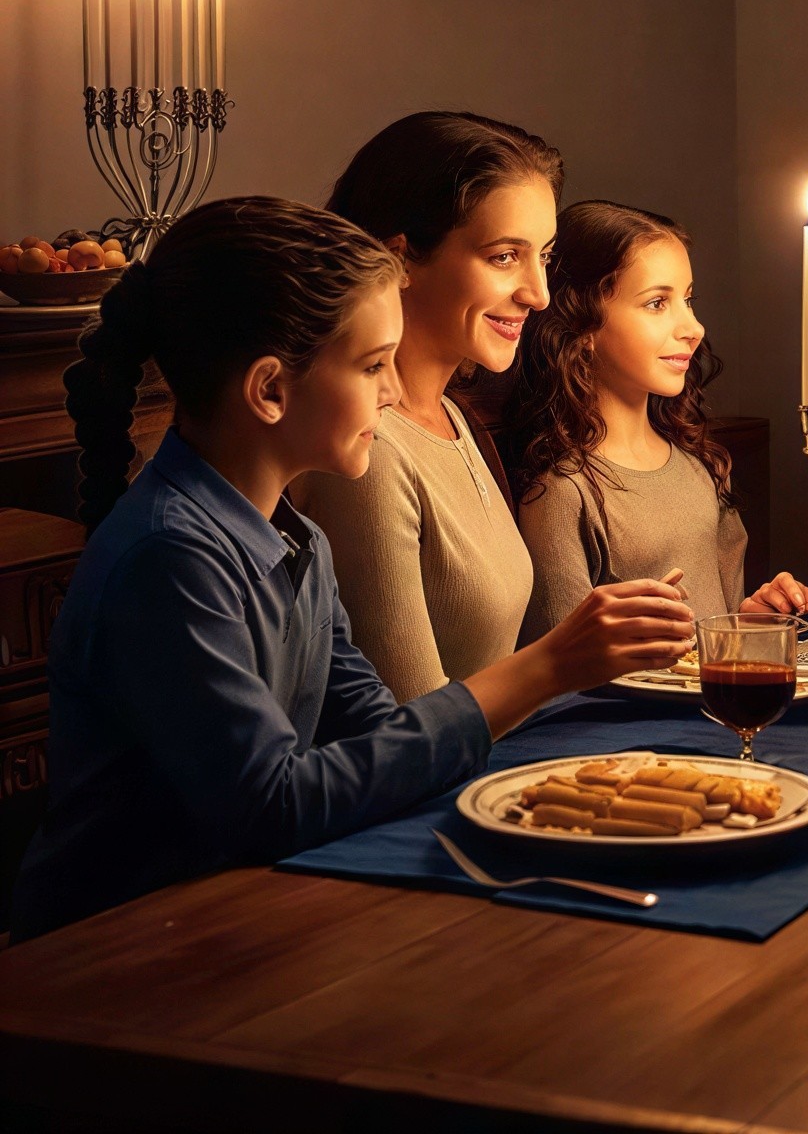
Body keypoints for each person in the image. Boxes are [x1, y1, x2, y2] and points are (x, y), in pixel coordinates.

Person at [9, 198, 693, 942]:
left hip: (238, 923)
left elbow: (382, 739)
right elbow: (275, 806)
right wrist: (543, 668)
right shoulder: (169, 557)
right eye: (373, 366)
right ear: (270, 389)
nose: (395, 392)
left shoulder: (294, 537)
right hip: (110, 957)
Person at [294, 112, 564, 702]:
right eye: (503, 257)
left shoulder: (454, 418)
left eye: (543, 254)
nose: (537, 292)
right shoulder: (367, 451)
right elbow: (407, 722)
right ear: (401, 259)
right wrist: (562, 661)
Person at [508, 200, 808, 636]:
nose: (693, 327)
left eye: (688, 300)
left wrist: (753, 617)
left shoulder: (701, 466)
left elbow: (718, 632)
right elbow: (562, 673)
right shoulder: (564, 493)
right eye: (657, 303)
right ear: (583, 327)